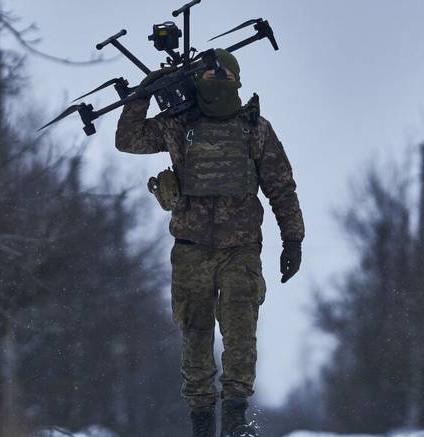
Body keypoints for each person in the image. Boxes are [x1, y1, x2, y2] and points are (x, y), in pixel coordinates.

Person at [115, 48, 304, 437]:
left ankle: (235, 422)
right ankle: (202, 424)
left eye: (223, 79)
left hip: (240, 250)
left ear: (236, 82)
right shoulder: (177, 124)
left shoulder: (256, 129)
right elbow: (128, 139)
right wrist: (141, 96)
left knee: (239, 334)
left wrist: (293, 239)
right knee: (196, 334)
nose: (216, 86)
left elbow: (281, 186)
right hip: (192, 248)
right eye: (210, 79)